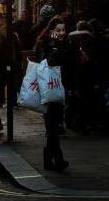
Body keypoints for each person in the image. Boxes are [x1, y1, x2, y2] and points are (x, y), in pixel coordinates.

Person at [34, 16, 70, 172]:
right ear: (51, 31)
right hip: (48, 89)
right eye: (58, 30)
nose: (61, 33)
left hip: (61, 89)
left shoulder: (66, 43)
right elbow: (45, 63)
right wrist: (54, 46)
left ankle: (48, 159)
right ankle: (58, 160)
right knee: (53, 126)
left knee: (54, 127)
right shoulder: (45, 43)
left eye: (63, 30)